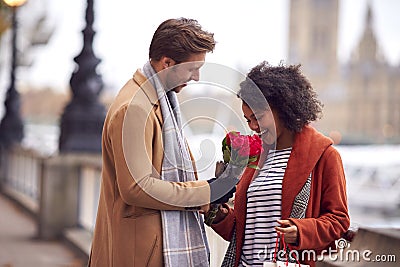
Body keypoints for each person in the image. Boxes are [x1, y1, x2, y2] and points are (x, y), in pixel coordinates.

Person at [88, 18, 238, 267]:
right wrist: (206, 192)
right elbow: (137, 187)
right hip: (140, 254)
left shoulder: (156, 101)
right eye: (192, 69)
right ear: (167, 63)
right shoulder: (134, 108)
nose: (197, 77)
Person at [209, 61, 350, 267]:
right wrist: (218, 215)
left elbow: (339, 220)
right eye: (248, 120)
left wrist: (301, 231)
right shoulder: (255, 156)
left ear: (284, 108)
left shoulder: (325, 155)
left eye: (258, 117)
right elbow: (244, 231)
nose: (254, 126)